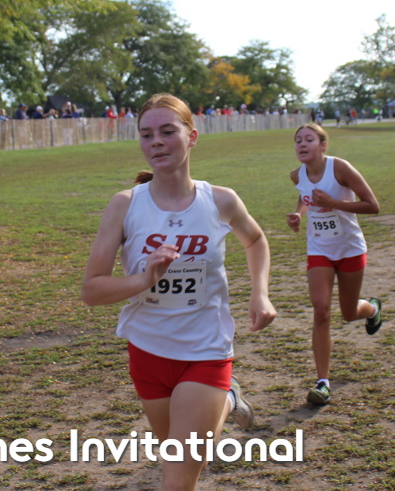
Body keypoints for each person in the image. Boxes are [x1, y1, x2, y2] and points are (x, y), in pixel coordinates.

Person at [82, 93, 276, 490]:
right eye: (146, 134)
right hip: (148, 351)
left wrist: (260, 292)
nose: (156, 141)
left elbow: (256, 240)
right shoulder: (124, 206)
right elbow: (92, 290)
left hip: (205, 349)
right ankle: (228, 400)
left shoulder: (220, 200)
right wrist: (144, 279)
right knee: (175, 451)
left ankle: (222, 394)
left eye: (167, 132)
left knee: (177, 478)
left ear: (192, 137)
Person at [286, 122, 382, 406]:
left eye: (309, 139)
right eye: (298, 140)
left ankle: (372, 309)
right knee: (321, 310)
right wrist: (299, 213)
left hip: (350, 247)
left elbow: (372, 205)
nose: (302, 144)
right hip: (319, 248)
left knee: (349, 313)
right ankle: (323, 382)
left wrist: (334, 203)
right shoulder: (297, 175)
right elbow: (305, 194)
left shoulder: (339, 168)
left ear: (323, 145)